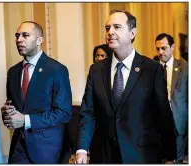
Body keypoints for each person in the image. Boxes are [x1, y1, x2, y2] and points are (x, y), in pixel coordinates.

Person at [76, 9, 176, 164]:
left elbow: (162, 114)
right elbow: (88, 112)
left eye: (117, 27)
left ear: (132, 33)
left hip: (141, 155)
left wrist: (170, 156)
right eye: (107, 28)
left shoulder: (152, 69)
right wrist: (82, 149)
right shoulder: (96, 70)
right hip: (104, 155)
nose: (110, 32)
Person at [1, 21, 72, 164]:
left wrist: (25, 120)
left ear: (40, 40)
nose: (19, 40)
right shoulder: (13, 72)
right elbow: (15, 107)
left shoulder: (56, 70)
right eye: (17, 36)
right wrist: (8, 115)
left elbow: (64, 113)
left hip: (46, 150)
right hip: (18, 147)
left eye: (25, 35)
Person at [155, 33, 188, 164]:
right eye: (158, 49)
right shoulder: (153, 68)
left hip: (178, 118)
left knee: (177, 160)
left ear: (172, 47)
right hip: (159, 120)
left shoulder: (185, 67)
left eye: (164, 48)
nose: (160, 52)